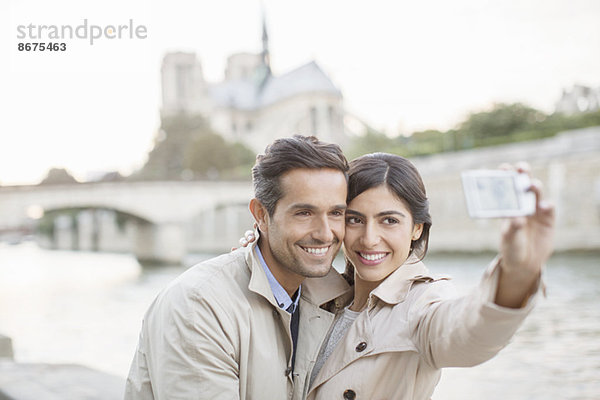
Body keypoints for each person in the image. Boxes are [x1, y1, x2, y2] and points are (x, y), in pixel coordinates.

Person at [240, 152, 555, 400]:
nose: (369, 238)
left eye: (389, 220)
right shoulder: (312, 290)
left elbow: (468, 332)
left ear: (417, 227)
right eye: (354, 219)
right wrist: (261, 251)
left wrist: (517, 273)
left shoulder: (422, 303)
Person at [124, 135, 353, 399]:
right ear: (261, 215)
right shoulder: (197, 307)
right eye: (304, 213)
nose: (325, 234)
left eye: (336, 213)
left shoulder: (331, 297)